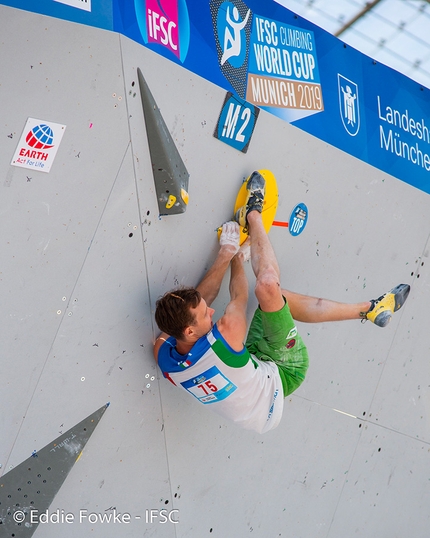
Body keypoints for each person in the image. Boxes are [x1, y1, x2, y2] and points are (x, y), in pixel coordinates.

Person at [153, 172, 410, 434]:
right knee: (268, 289)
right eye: (205, 314)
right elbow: (239, 297)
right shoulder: (225, 334)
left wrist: (227, 250)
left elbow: (192, 310)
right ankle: (254, 213)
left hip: (251, 372)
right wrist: (234, 256)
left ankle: (369, 310)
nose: (211, 309)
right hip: (283, 373)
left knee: (273, 302)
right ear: (189, 332)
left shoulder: (166, 357)